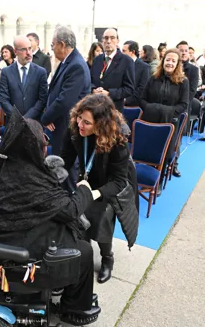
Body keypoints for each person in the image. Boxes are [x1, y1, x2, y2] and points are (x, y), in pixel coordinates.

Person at [0, 107, 101, 326]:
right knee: (83, 249)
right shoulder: (27, 178)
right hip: (9, 248)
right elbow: (71, 210)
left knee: (72, 234)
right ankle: (73, 308)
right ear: (31, 147)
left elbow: (44, 201)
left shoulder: (11, 164)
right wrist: (85, 190)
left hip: (5, 233)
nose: (45, 146)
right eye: (42, 143)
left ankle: (70, 291)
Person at [60, 94, 138, 284]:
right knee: (78, 219)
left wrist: (94, 193)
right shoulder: (75, 129)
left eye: (87, 122)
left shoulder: (118, 140)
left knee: (102, 221)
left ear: (100, 124)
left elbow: (119, 181)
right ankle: (83, 257)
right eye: (79, 118)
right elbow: (65, 160)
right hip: (86, 179)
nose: (80, 124)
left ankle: (107, 258)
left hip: (110, 185)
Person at [140, 48, 189, 195]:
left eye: (173, 61)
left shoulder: (183, 82)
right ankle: (148, 178)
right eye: (168, 59)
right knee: (149, 151)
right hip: (150, 122)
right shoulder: (153, 78)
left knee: (165, 154)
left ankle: (158, 181)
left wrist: (166, 111)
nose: (170, 63)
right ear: (163, 61)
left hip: (169, 124)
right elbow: (142, 99)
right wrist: (153, 109)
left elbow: (184, 104)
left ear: (177, 64)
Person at [41, 26, 91, 156]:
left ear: (62, 44)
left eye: (53, 45)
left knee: (65, 169)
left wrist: (46, 118)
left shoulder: (76, 65)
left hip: (66, 127)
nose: (52, 49)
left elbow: (65, 101)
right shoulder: (68, 61)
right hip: (59, 124)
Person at [0, 35, 48, 120]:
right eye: (24, 49)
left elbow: (42, 100)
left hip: (34, 124)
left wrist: (26, 118)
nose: (28, 52)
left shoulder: (41, 72)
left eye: (29, 48)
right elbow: (4, 100)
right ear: (15, 51)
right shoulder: (6, 72)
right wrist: (17, 118)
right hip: (13, 124)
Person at [91, 28, 135, 113]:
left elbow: (129, 89)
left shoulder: (126, 61)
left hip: (113, 110)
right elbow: (89, 80)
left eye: (112, 38)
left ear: (117, 41)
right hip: (95, 108)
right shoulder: (97, 60)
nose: (108, 41)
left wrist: (108, 93)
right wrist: (93, 89)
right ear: (102, 40)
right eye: (106, 38)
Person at [122, 40, 150, 106]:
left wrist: (127, 100)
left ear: (132, 52)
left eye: (124, 51)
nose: (121, 53)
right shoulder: (120, 64)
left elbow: (142, 88)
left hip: (134, 105)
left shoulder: (144, 67)